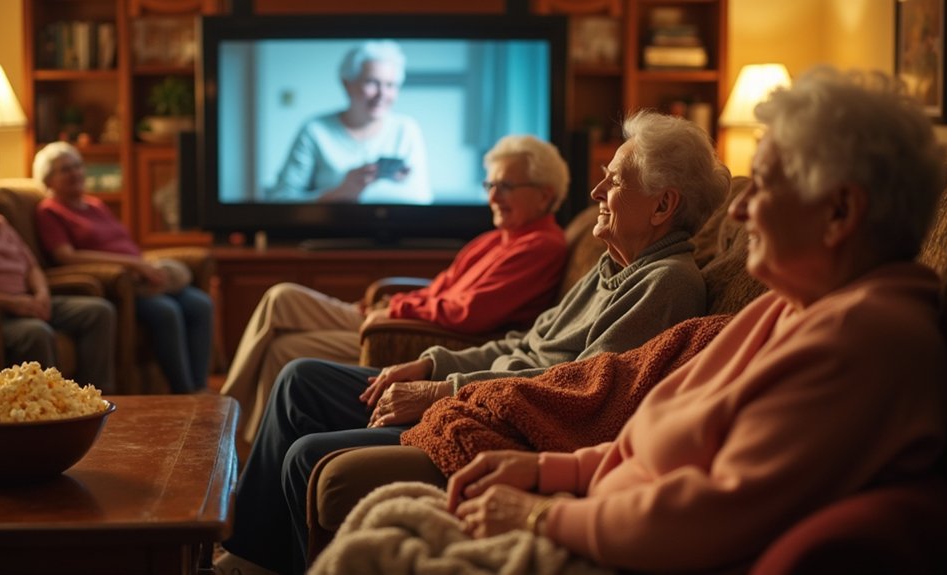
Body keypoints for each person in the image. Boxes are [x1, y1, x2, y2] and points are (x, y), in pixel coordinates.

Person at [311, 67, 947, 574]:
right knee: (384, 515)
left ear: (840, 212)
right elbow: (644, 441)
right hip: (594, 507)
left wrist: (539, 515)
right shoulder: (788, 311)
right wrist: (549, 472)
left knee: (376, 538)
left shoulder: (866, 342)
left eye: (766, 185)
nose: (738, 213)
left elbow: (706, 516)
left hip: (608, 543)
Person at [215, 109, 732, 575]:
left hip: (509, 419)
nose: (597, 193)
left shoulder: (668, 282)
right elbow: (526, 341)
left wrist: (446, 391)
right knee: (300, 378)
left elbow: (576, 392)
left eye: (614, 182)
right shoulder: (612, 267)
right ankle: (249, 558)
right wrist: (432, 363)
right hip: (483, 390)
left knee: (307, 455)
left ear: (663, 205)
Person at [223, 134, 571, 443]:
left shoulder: (540, 246)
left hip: (425, 337)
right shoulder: (494, 239)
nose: (493, 196)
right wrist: (394, 303)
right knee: (284, 321)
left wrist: (393, 311)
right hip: (405, 320)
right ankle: (244, 437)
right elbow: (441, 290)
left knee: (284, 320)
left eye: (506, 186)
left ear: (544, 195)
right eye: (490, 185)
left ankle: (225, 418)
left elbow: (468, 313)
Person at [33, 141, 213, 394]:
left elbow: (125, 244)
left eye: (77, 166)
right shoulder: (49, 211)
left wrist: (146, 266)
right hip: (116, 287)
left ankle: (200, 387)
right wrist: (132, 265)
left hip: (140, 275)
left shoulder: (95, 205)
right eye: (65, 170)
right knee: (166, 311)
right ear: (48, 180)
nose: (75, 173)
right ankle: (183, 392)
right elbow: (66, 256)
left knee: (199, 303)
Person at [0, 140, 116, 392]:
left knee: (99, 311)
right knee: (35, 332)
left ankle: (95, 400)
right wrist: (12, 303)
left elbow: (32, 268)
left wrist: (41, 295)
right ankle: (51, 410)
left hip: (27, 299)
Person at [269, 40, 431, 204]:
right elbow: (281, 200)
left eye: (390, 85)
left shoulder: (407, 129)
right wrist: (341, 192)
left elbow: (422, 199)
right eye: (372, 82)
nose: (382, 94)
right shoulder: (315, 131)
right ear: (347, 84)